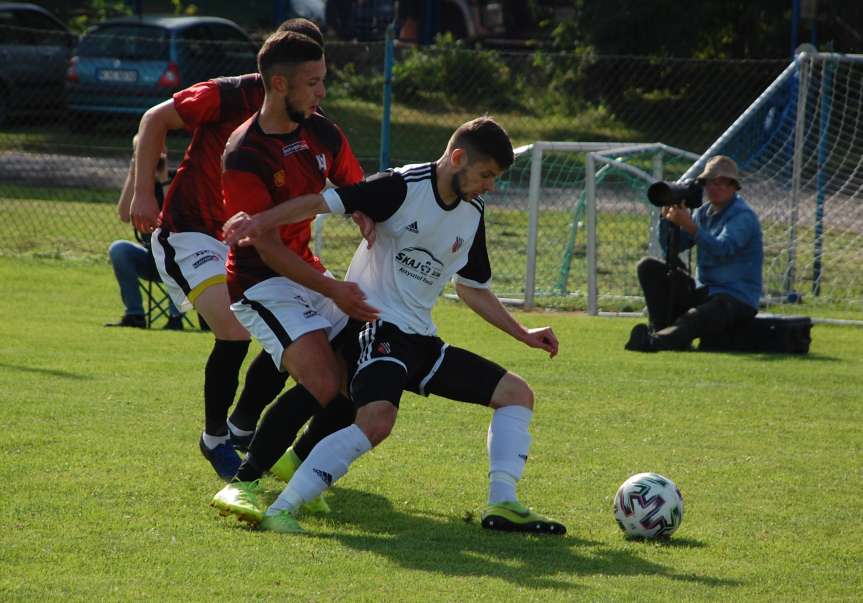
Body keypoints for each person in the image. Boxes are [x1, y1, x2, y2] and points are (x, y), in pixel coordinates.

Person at [215, 116, 567, 536]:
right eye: (486, 175)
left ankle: (503, 504)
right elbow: (320, 201)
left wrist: (523, 334)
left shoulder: (472, 212)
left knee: (516, 394)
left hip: (420, 339)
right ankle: (282, 507)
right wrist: (258, 222)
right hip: (375, 329)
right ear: (457, 158)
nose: (490, 186)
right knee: (372, 418)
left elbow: (473, 289)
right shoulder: (402, 187)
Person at [128, 19, 369, 480]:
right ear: (279, 78)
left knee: (288, 336)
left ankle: (243, 427)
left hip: (266, 249)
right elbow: (154, 118)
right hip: (192, 232)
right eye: (312, 80)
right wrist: (143, 192)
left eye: (321, 77)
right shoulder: (231, 98)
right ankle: (215, 437)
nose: (321, 90)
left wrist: (365, 214)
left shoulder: (315, 129)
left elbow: (352, 186)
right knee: (240, 325)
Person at [625, 155, 763, 352]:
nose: (714, 188)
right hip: (706, 292)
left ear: (734, 186)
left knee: (695, 317)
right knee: (648, 267)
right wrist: (668, 220)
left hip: (735, 299)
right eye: (709, 183)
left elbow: (722, 249)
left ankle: (655, 342)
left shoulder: (742, 217)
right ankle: (662, 330)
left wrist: (690, 227)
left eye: (721, 183)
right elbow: (673, 248)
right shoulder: (703, 213)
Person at [106, 136, 184, 330]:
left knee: (175, 253)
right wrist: (134, 174)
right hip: (149, 256)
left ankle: (176, 317)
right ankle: (135, 314)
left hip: (176, 258)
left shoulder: (176, 179)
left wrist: (164, 178)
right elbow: (124, 215)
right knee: (119, 249)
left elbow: (176, 220)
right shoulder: (138, 185)